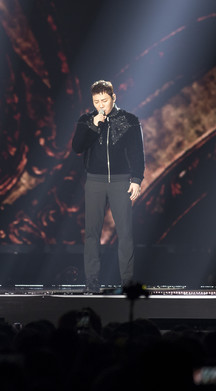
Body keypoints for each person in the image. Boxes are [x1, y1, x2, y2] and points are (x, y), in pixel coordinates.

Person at [72, 80, 145, 293]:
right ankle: (92, 280)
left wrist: (137, 179)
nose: (100, 105)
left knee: (125, 232)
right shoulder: (86, 120)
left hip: (121, 181)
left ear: (113, 98)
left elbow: (137, 152)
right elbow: (77, 147)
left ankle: (127, 281)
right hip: (95, 181)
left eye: (104, 100)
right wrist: (94, 125)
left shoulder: (129, 120)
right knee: (92, 233)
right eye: (96, 101)